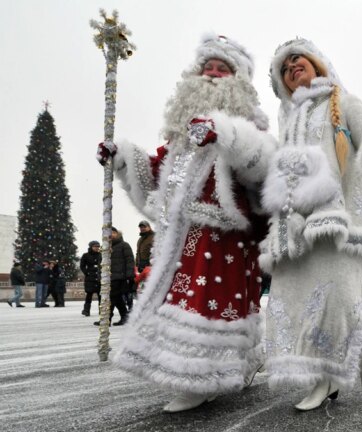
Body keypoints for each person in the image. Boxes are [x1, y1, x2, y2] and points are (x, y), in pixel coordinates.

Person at [99, 34, 275, 412]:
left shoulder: (249, 127)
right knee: (187, 302)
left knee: (211, 305)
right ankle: (223, 366)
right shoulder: (182, 137)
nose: (212, 75)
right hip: (179, 237)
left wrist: (224, 135)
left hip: (223, 238)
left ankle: (200, 376)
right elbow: (155, 173)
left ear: (238, 80)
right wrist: (121, 158)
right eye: (207, 68)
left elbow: (261, 165)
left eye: (221, 70)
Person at [260, 38, 362, 411]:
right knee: (302, 304)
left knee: (342, 298)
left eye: (299, 60)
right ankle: (323, 379)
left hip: (338, 224)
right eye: (285, 67)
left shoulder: (341, 102)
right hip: (295, 230)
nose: (293, 67)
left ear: (316, 64)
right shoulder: (288, 121)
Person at [92, 228, 133, 326]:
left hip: (119, 276)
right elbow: (100, 264)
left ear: (117, 234)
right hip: (107, 277)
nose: (110, 235)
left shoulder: (124, 245)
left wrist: (129, 275)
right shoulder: (104, 247)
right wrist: (100, 276)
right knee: (117, 298)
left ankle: (106, 319)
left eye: (113, 233)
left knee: (110, 297)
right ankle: (125, 316)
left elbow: (130, 261)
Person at [80, 241, 102, 317]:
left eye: (98, 246)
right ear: (91, 247)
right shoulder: (86, 255)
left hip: (99, 277)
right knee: (89, 294)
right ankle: (86, 310)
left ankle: (101, 311)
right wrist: (87, 273)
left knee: (101, 295)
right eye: (95, 246)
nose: (97, 248)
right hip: (90, 278)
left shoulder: (101, 255)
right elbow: (82, 266)